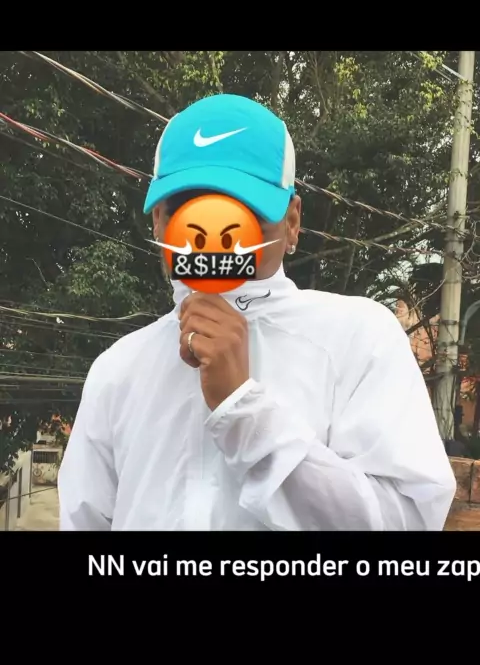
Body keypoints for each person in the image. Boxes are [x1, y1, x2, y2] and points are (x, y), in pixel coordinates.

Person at [58, 93, 456, 531]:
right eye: (187, 211)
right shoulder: (117, 370)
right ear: (158, 221)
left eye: (241, 209)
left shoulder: (359, 339)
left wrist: (245, 414)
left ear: (292, 220)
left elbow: (408, 521)